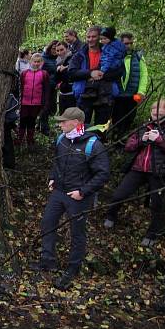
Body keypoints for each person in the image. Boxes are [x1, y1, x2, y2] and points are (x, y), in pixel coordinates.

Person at [31, 107, 110, 290]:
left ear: (76, 123)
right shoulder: (61, 140)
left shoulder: (93, 144)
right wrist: (53, 178)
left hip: (78, 197)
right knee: (48, 223)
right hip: (59, 192)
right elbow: (57, 162)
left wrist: (82, 191)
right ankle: (48, 260)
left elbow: (102, 174)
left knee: (77, 232)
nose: (60, 124)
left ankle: (73, 268)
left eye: (63, 121)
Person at [103, 99, 165, 246]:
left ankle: (153, 233)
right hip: (139, 168)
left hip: (159, 171)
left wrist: (159, 139)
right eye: (154, 113)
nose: (156, 116)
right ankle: (111, 215)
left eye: (160, 113)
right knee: (119, 194)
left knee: (157, 204)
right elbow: (128, 145)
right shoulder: (144, 126)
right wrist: (142, 139)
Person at [68, 26, 117, 128]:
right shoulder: (80, 54)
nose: (90, 39)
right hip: (85, 93)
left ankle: (99, 143)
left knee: (101, 127)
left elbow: (119, 71)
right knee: (81, 127)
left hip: (104, 94)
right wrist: (90, 74)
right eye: (88, 37)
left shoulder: (109, 52)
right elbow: (71, 73)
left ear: (100, 37)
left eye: (94, 36)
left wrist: (101, 75)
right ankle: (81, 144)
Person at [110, 32, 149, 142]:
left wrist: (141, 92)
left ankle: (125, 141)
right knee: (117, 119)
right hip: (118, 95)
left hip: (133, 95)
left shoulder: (138, 56)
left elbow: (144, 75)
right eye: (126, 43)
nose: (129, 46)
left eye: (131, 43)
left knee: (129, 119)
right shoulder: (114, 56)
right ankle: (115, 140)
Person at [80, 26, 125, 107]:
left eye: (104, 39)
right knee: (97, 77)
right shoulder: (81, 52)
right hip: (107, 66)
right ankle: (92, 93)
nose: (102, 41)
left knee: (102, 81)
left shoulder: (111, 47)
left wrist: (102, 71)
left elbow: (109, 60)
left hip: (110, 67)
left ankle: (102, 97)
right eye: (102, 39)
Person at [18, 53, 50, 148]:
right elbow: (20, 88)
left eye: (38, 62)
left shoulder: (44, 74)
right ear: (30, 61)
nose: (36, 63)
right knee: (23, 121)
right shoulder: (24, 73)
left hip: (36, 103)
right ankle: (19, 140)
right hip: (24, 102)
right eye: (34, 61)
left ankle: (30, 140)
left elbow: (46, 90)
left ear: (41, 62)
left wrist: (45, 103)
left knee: (32, 121)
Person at [54, 41, 76, 112]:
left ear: (67, 49)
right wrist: (58, 71)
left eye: (62, 50)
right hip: (62, 93)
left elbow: (72, 75)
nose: (60, 52)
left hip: (72, 93)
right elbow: (57, 79)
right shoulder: (58, 61)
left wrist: (66, 68)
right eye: (57, 50)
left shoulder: (73, 58)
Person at [2, 91, 20, 169]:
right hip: (7, 122)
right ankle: (9, 164)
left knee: (7, 143)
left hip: (6, 123)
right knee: (7, 143)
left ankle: (9, 165)